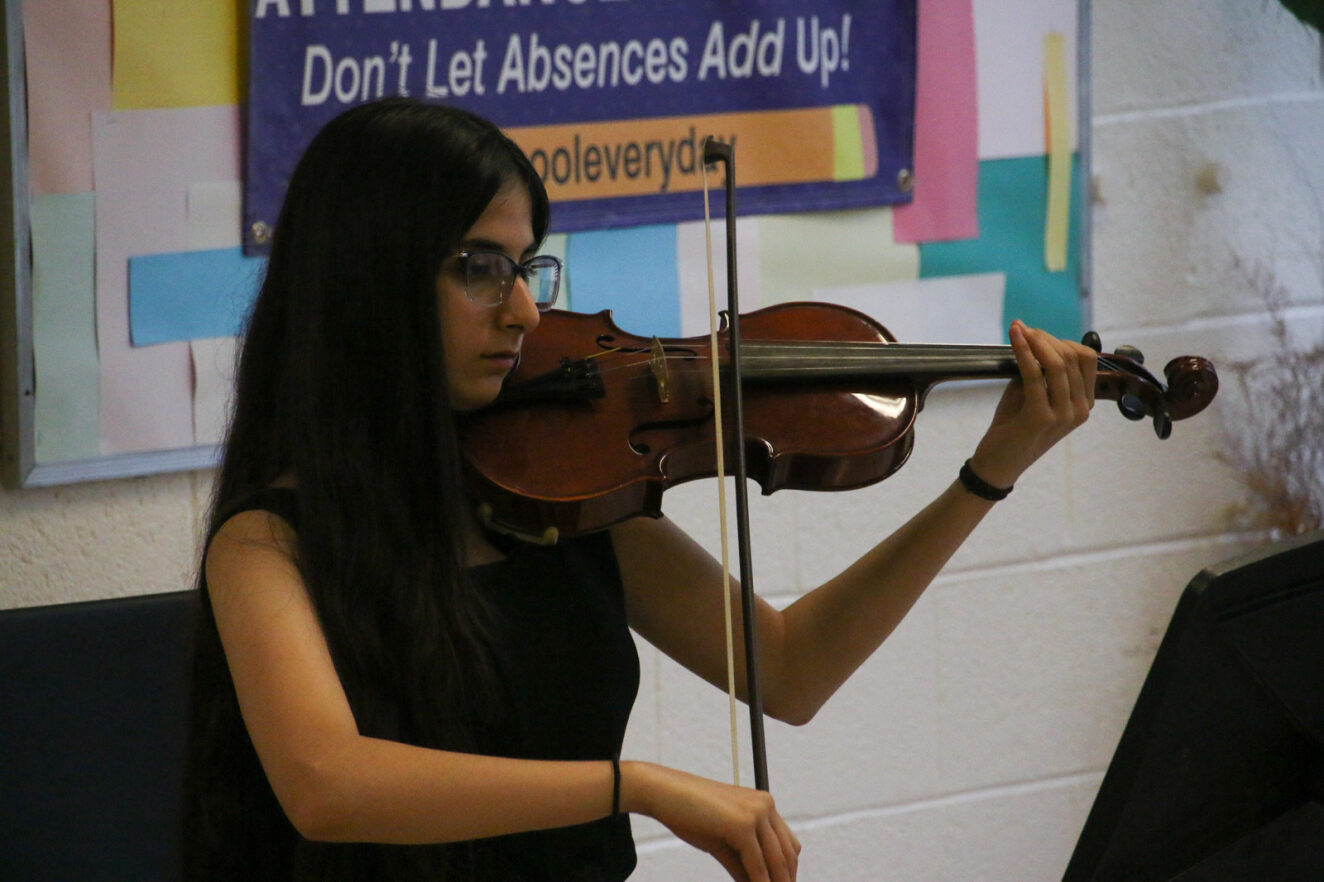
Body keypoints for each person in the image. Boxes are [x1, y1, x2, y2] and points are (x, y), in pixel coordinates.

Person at [184, 96, 1097, 882]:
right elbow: (328, 786)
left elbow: (791, 666)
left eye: (525, 264)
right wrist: (638, 786)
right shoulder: (269, 542)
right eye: (477, 269)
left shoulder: (554, 486)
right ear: (368, 285)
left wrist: (989, 474)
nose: (525, 311)